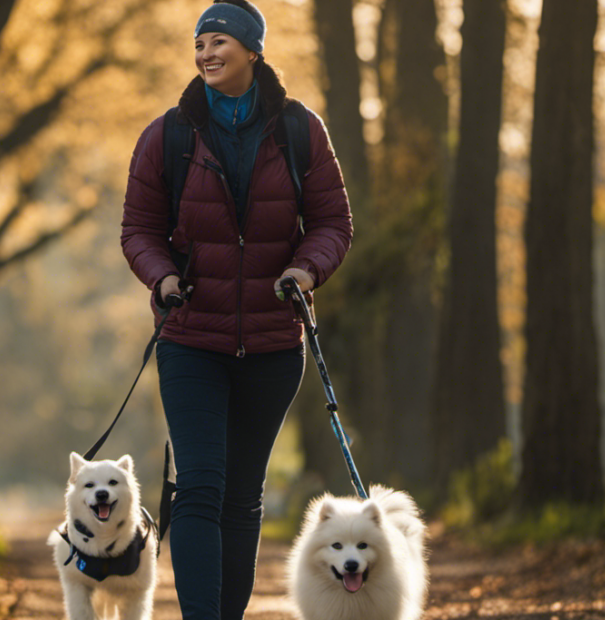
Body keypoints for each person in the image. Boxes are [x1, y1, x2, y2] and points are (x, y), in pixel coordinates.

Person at [120, 1, 352, 618]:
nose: (205, 54)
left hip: (275, 344)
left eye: (218, 41)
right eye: (198, 45)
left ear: (253, 50)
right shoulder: (167, 135)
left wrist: (306, 269)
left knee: (243, 496)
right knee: (199, 486)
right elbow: (138, 229)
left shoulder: (300, 130)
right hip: (192, 335)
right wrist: (162, 276)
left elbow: (332, 221)